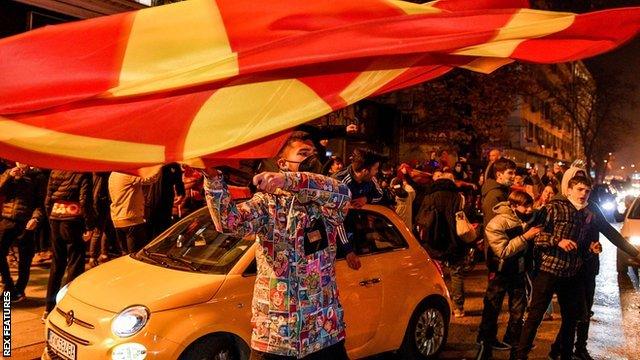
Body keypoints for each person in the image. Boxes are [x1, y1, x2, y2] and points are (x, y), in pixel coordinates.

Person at [203, 131, 352, 359]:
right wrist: (212, 177)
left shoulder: (324, 203)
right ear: (282, 163)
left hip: (323, 333)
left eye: (313, 153)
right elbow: (228, 223)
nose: (311, 159)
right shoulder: (266, 204)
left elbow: (342, 194)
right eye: (303, 153)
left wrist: (291, 180)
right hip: (276, 336)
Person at [513, 176, 595, 360]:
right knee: (535, 316)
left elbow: (580, 246)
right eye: (580, 189)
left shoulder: (586, 214)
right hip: (548, 270)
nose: (583, 194)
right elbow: (536, 236)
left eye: (587, 191)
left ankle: (562, 355)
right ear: (569, 190)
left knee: (571, 319)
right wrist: (558, 241)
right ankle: (520, 355)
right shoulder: (553, 208)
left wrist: (590, 249)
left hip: (571, 273)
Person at [476, 191, 542, 359]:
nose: (529, 209)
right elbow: (502, 250)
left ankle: (514, 344)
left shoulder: (531, 219)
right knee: (492, 308)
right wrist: (525, 237)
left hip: (520, 272)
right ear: (513, 206)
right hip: (500, 272)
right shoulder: (497, 223)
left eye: (530, 205)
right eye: (525, 206)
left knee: (519, 311)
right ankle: (485, 344)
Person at [43, 170, 94, 320]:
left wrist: (51, 217)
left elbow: (48, 199)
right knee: (75, 264)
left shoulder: (55, 171)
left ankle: (48, 308)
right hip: (73, 220)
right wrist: (89, 225)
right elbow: (85, 200)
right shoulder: (82, 173)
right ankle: (66, 307)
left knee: (57, 264)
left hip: (55, 217)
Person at [416, 170, 467, 317]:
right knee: (456, 274)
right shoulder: (458, 197)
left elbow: (421, 218)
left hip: (433, 240)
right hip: (454, 239)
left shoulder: (430, 196)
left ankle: (438, 306)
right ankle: (458, 308)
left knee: (436, 274)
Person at [0, 163, 45, 302]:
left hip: (26, 221)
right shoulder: (9, 173)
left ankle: (19, 290)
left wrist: (36, 218)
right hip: (6, 219)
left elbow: (41, 203)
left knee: (25, 259)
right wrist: (9, 176)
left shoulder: (37, 176)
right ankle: (8, 285)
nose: (21, 163)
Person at [109, 172, 158, 254]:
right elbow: (150, 179)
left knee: (125, 253)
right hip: (131, 219)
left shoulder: (113, 174)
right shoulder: (128, 174)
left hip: (117, 218)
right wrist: (158, 166)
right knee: (135, 254)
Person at [146, 163, 185, 237]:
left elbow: (178, 181)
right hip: (151, 201)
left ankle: (164, 245)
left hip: (166, 201)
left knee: (164, 228)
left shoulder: (174, 165)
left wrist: (181, 193)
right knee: (151, 229)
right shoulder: (151, 163)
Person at [481, 158, 516, 228]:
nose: (514, 176)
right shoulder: (494, 195)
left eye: (514, 173)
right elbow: (492, 224)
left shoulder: (503, 190)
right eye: (510, 173)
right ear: (499, 175)